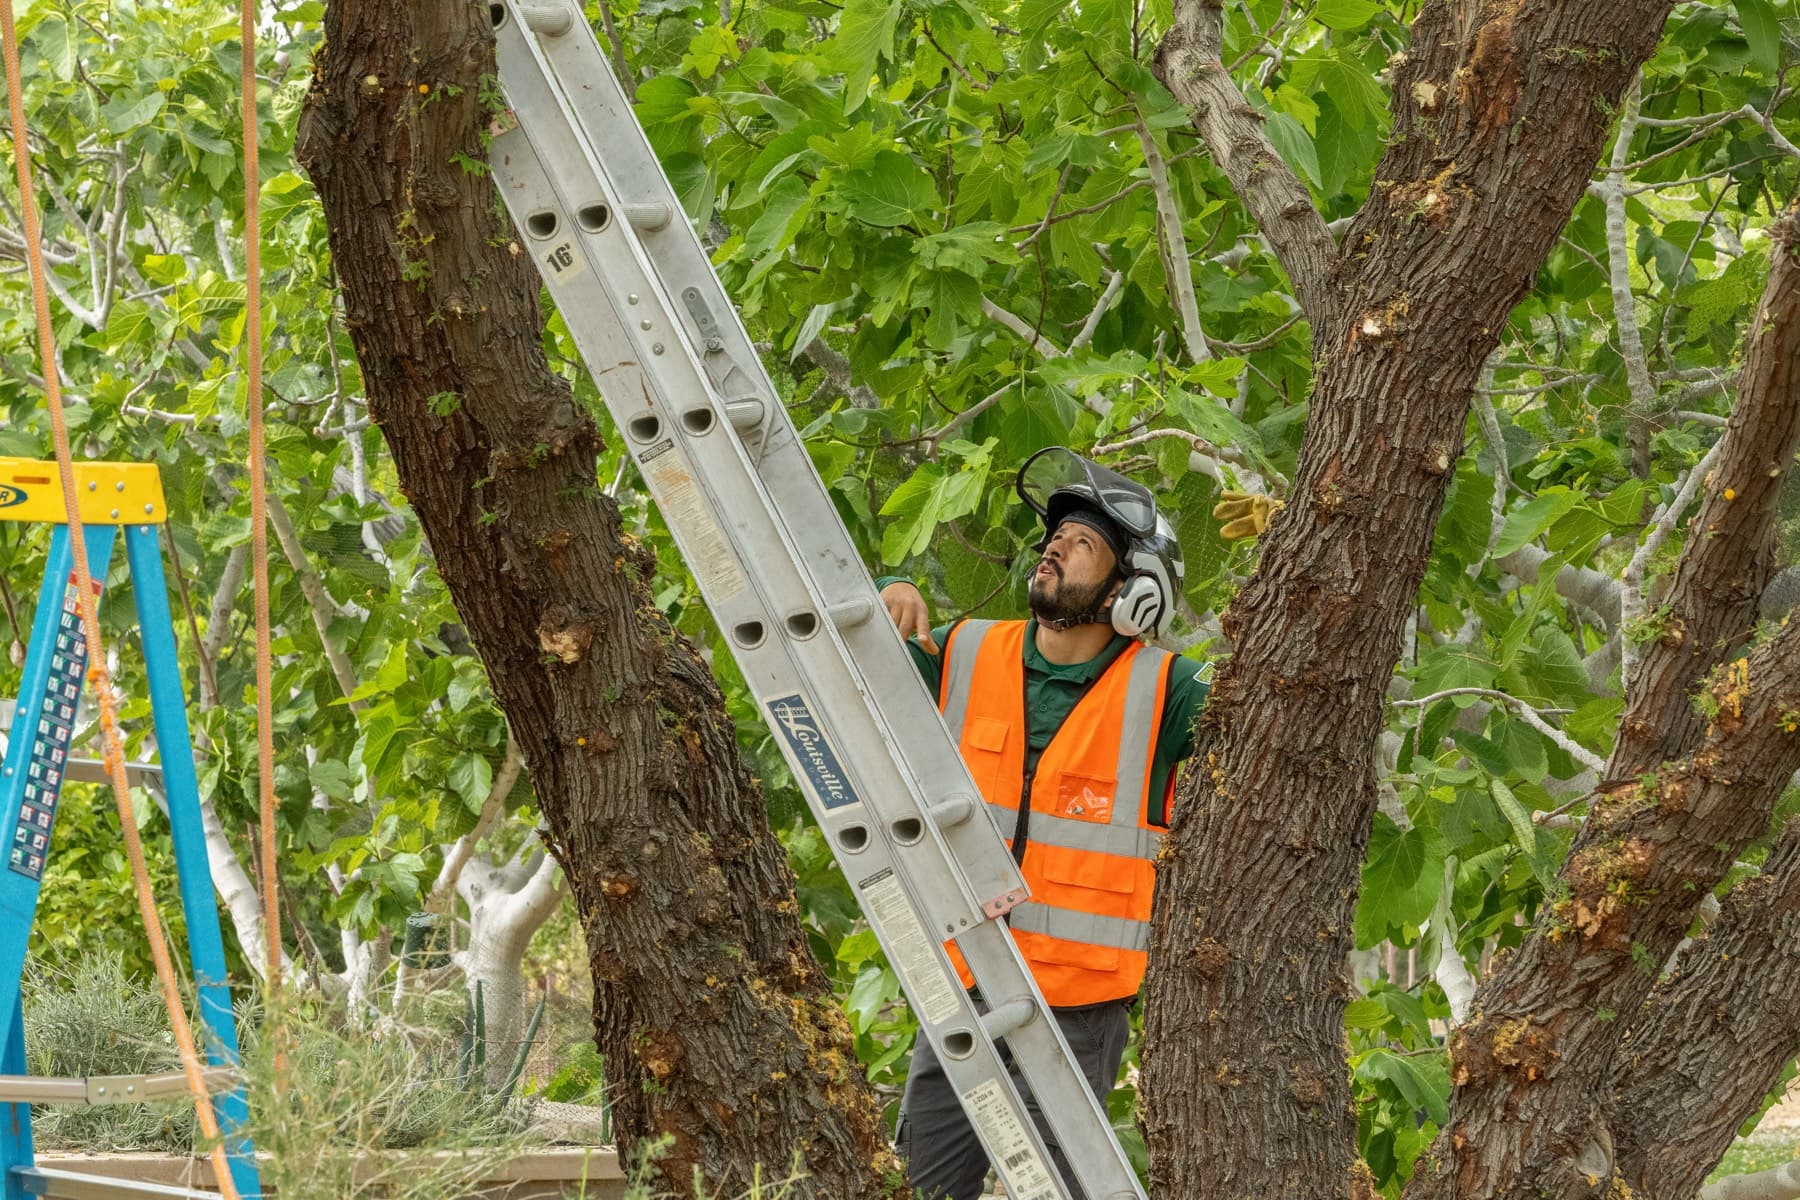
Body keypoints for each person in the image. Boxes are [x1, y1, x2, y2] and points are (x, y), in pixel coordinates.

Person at [874, 447, 1211, 1200]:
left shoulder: (1172, 691)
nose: (1053, 548)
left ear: (1135, 594)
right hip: (963, 988)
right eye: (1053, 538)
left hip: (1078, 1013)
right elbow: (842, 647)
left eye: (1082, 542)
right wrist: (883, 591)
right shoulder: (964, 651)